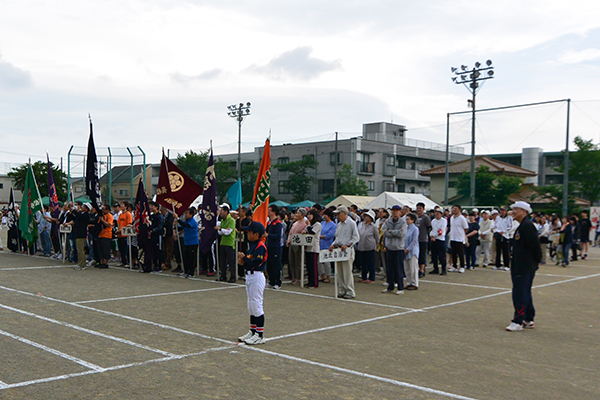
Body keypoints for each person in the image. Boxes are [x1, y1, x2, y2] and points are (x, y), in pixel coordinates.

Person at [506, 201, 542, 332]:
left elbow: (535, 246)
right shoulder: (522, 226)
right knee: (525, 291)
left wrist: (537, 260)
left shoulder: (527, 226)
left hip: (524, 266)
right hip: (520, 264)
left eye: (516, 209)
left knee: (520, 292)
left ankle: (518, 321)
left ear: (524, 211)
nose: (513, 212)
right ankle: (528, 318)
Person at [237, 221, 268, 345]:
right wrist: (243, 262)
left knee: (256, 305)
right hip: (250, 276)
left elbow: (256, 263)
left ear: (256, 234)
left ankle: (259, 335)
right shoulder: (253, 246)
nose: (248, 234)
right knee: (251, 305)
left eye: (250, 232)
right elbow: (249, 261)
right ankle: (253, 330)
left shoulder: (260, 246)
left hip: (257, 276)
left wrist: (244, 258)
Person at [328, 206, 360, 299]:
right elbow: (337, 238)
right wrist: (333, 244)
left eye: (338, 214)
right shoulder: (339, 224)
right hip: (339, 250)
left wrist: (348, 244)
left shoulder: (351, 223)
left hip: (347, 250)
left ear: (344, 213)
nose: (337, 216)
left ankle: (350, 291)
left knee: (347, 272)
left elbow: (356, 237)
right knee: (339, 272)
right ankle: (342, 289)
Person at [382, 205, 407, 294]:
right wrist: (393, 232)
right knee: (389, 269)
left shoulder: (403, 222)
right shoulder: (388, 221)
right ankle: (390, 286)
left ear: (400, 212)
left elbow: (402, 233)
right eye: (393, 211)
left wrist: (391, 231)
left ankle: (400, 288)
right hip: (389, 248)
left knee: (398, 269)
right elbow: (384, 232)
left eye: (397, 211)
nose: (395, 212)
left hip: (399, 248)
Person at [66, 203, 91, 270]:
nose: (82, 207)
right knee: (78, 249)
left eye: (83, 206)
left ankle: (82, 264)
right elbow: (75, 218)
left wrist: (73, 210)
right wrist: (71, 213)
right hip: (77, 233)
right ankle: (80, 263)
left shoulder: (86, 215)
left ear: (86, 208)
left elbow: (79, 216)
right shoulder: (81, 214)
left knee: (80, 250)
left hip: (81, 234)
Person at [356, 209, 378, 283]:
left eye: (368, 216)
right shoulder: (362, 225)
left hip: (370, 247)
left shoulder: (374, 226)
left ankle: (372, 278)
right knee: (363, 263)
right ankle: (364, 276)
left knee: (371, 263)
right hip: (361, 246)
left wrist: (375, 245)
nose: (366, 217)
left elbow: (376, 237)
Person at [286, 208, 307, 285]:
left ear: (303, 215)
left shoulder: (305, 223)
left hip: (299, 245)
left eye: (298, 213)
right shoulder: (295, 223)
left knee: (298, 262)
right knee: (292, 262)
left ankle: (298, 278)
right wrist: (288, 240)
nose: (297, 215)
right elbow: (290, 233)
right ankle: (294, 277)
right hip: (292, 243)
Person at [216, 203, 236, 283]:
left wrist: (221, 229)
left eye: (222, 211)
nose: (220, 212)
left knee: (231, 261)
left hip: (229, 243)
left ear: (226, 212)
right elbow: (221, 232)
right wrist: (221, 230)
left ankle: (233, 276)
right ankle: (223, 275)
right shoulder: (223, 221)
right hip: (223, 242)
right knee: (223, 260)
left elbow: (228, 232)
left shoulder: (231, 220)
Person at [303, 209, 322, 288]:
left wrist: (308, 225)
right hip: (308, 247)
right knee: (308, 266)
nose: (308, 216)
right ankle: (310, 281)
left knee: (313, 266)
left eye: (310, 215)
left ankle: (314, 283)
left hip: (314, 247)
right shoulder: (311, 224)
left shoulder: (317, 224)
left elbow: (312, 232)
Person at [265, 204, 283, 289]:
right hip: (269, 245)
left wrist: (268, 235)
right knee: (269, 264)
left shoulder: (278, 223)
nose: (268, 212)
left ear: (274, 212)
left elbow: (278, 236)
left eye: (269, 210)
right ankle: (271, 281)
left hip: (275, 246)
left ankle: (277, 282)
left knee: (275, 264)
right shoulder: (269, 222)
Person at [177, 208, 199, 278]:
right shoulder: (186, 221)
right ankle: (186, 271)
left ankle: (192, 272)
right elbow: (181, 227)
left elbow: (186, 225)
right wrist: (175, 226)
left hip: (193, 242)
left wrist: (178, 219)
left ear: (191, 214)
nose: (185, 215)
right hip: (187, 242)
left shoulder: (193, 221)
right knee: (185, 257)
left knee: (191, 258)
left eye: (187, 213)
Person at [448, 205, 468, 273]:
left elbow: (466, 228)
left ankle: (462, 266)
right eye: (453, 208)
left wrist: (462, 234)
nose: (454, 210)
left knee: (460, 253)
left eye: (456, 209)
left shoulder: (462, 218)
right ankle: (454, 266)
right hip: (452, 237)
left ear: (459, 210)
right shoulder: (451, 218)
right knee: (453, 253)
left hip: (459, 238)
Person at [318, 209, 336, 283]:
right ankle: (322, 275)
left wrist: (321, 236)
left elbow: (330, 235)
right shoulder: (322, 223)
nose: (323, 216)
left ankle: (328, 276)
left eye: (325, 215)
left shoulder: (333, 225)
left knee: (326, 261)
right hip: (320, 244)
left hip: (327, 244)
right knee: (319, 261)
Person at [415, 202, 432, 279]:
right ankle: (417, 269)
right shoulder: (415, 217)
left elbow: (429, 227)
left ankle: (422, 270)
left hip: (423, 239)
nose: (419, 210)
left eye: (420, 208)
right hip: (415, 239)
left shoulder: (425, 217)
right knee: (416, 255)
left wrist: (425, 233)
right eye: (417, 208)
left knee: (422, 255)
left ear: (423, 209)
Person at [404, 213, 420, 290]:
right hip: (405, 250)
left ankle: (414, 283)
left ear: (412, 220)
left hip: (412, 251)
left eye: (408, 219)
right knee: (407, 268)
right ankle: (408, 282)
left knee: (413, 268)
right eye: (406, 219)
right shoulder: (405, 228)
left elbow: (414, 241)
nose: (406, 220)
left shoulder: (415, 229)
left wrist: (408, 249)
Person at [494, 206, 513, 270]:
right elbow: (495, 225)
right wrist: (494, 230)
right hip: (498, 235)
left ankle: (506, 265)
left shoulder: (509, 218)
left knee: (505, 251)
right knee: (498, 250)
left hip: (505, 236)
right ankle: (497, 265)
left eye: (503, 210)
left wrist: (504, 231)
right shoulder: (498, 218)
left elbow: (511, 227)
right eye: (501, 210)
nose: (502, 212)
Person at [429, 207, 447, 275]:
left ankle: (443, 269)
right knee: (434, 255)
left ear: (441, 214)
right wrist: (431, 235)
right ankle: (435, 268)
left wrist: (434, 236)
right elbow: (431, 229)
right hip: (434, 239)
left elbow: (441, 231)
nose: (437, 214)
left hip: (440, 239)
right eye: (436, 212)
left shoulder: (443, 221)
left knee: (441, 255)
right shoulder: (433, 221)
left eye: (438, 213)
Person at [96, 204, 114, 269]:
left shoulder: (110, 216)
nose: (103, 210)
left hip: (107, 235)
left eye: (104, 209)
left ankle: (106, 263)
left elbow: (109, 225)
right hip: (100, 234)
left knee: (106, 250)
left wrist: (102, 220)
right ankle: (101, 262)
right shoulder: (101, 216)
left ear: (108, 210)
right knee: (100, 249)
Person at [117, 202, 133, 267]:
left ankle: (127, 262)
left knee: (125, 248)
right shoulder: (121, 215)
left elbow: (129, 224)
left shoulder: (128, 214)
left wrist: (122, 230)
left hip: (125, 234)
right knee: (121, 249)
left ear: (126, 207)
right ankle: (123, 261)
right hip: (120, 234)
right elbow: (119, 223)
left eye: (122, 205)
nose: (121, 206)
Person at [160, 206, 175, 270]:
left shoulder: (170, 216)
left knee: (169, 250)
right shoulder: (161, 216)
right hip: (163, 234)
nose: (161, 212)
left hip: (169, 234)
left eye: (162, 211)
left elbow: (169, 224)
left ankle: (168, 264)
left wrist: (163, 224)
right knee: (163, 249)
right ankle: (163, 263)